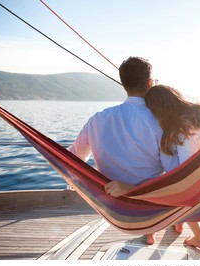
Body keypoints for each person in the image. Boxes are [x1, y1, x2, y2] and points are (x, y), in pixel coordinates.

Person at [69, 57, 179, 245]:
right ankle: (163, 224)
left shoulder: (97, 119)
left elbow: (73, 158)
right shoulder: (160, 122)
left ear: (123, 84)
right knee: (181, 184)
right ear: (150, 83)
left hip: (114, 205)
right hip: (149, 205)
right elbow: (175, 174)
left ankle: (149, 230)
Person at [105, 84, 200, 250]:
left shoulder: (184, 135)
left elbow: (185, 180)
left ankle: (193, 237)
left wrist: (133, 189)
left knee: (173, 192)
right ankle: (178, 221)